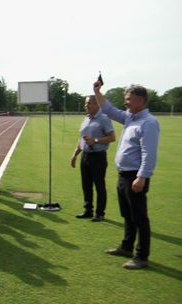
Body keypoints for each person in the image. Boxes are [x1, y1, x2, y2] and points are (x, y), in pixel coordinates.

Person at [94, 82, 160, 270]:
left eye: (129, 99)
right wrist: (97, 92)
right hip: (123, 175)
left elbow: (149, 153)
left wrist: (142, 177)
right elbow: (108, 108)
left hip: (135, 176)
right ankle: (126, 246)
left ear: (140, 100)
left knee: (139, 217)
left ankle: (141, 256)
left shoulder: (148, 123)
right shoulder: (131, 118)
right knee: (128, 215)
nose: (126, 103)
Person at [70, 96, 116, 221]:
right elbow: (81, 139)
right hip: (85, 156)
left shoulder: (104, 118)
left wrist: (95, 140)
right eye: (86, 103)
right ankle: (88, 210)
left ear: (97, 105)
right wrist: (75, 154)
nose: (86, 105)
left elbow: (112, 137)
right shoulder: (86, 118)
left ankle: (100, 213)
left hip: (98, 156)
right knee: (86, 185)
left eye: (89, 103)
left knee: (99, 186)